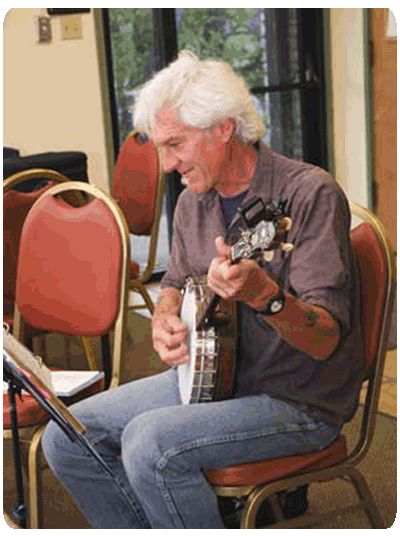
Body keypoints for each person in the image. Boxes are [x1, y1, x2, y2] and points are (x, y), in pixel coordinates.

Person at [42, 50, 365, 529]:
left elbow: (324, 339)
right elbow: (173, 281)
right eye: (161, 149)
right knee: (65, 435)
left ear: (223, 128)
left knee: (150, 445)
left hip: (298, 399)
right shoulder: (196, 200)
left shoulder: (308, 194)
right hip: (215, 381)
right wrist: (166, 317)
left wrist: (265, 296)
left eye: (175, 145)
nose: (168, 165)